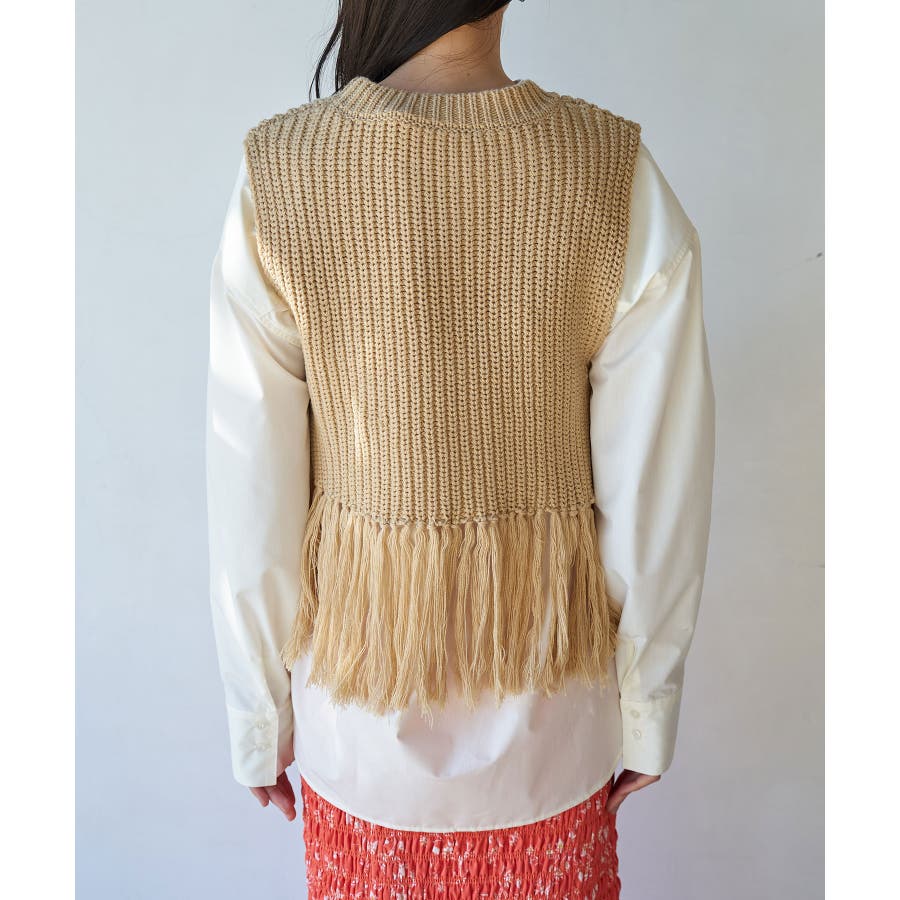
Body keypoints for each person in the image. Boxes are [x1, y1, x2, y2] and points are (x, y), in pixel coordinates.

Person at [206, 1, 715, 896]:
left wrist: (259, 718)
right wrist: (646, 707)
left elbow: (252, 486)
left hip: (355, 733)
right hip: (555, 730)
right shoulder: (611, 171)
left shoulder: (282, 172)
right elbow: (656, 488)